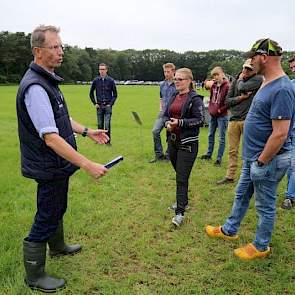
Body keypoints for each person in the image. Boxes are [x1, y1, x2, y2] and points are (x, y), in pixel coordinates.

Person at [16, 25, 109, 292]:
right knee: (47, 214)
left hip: (55, 164)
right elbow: (51, 137)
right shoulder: (35, 87)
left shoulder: (47, 80)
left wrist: (88, 131)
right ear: (38, 51)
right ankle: (34, 276)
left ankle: (57, 247)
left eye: (61, 46)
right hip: (48, 164)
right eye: (54, 47)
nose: (61, 51)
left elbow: (60, 119)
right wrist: (87, 163)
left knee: (57, 207)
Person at [205, 38, 295, 260]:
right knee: (241, 195)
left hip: (268, 160)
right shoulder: (266, 81)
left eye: (252, 57)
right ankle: (229, 230)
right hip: (253, 158)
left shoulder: (283, 88)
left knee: (265, 205)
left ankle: (260, 245)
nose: (249, 61)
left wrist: (262, 161)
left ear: (264, 57)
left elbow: (280, 133)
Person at [163, 68, 204, 227]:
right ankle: (184, 201)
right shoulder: (174, 95)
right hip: (172, 142)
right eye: (176, 79)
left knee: (181, 178)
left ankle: (180, 212)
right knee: (180, 174)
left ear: (189, 81)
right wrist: (167, 123)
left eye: (180, 79)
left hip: (188, 143)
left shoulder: (195, 99)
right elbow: (167, 114)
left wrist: (180, 123)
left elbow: (200, 120)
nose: (177, 82)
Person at [217, 59, 263, 185]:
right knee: (232, 150)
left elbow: (242, 86)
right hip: (234, 120)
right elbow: (227, 101)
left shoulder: (258, 79)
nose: (246, 71)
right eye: (245, 68)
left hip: (248, 120)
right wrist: (241, 97)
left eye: (249, 69)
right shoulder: (237, 80)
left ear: (255, 70)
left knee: (248, 151)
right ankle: (230, 176)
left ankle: (247, 177)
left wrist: (240, 81)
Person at [200, 66, 229, 165]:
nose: (216, 77)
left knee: (221, 137)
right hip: (213, 114)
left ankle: (219, 158)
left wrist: (220, 110)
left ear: (222, 74)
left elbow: (228, 102)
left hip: (222, 115)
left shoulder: (227, 86)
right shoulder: (213, 86)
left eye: (217, 74)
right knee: (210, 135)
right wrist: (211, 108)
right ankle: (209, 154)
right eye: (214, 75)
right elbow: (212, 98)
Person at [149, 63, 176, 163]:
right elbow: (161, 98)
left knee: (170, 134)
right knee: (155, 131)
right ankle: (159, 155)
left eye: (168, 72)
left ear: (173, 72)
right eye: (165, 71)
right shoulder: (162, 85)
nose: (166, 74)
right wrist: (161, 109)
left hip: (173, 115)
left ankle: (169, 156)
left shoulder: (177, 85)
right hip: (163, 113)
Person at [89, 63, 117, 145]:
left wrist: (110, 104)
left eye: (103, 69)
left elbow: (115, 94)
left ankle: (108, 142)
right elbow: (91, 93)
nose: (101, 71)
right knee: (100, 125)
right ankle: (100, 141)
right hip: (99, 106)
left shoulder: (111, 81)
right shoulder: (96, 81)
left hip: (108, 106)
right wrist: (95, 103)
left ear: (106, 70)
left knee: (107, 125)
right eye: (100, 69)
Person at [281, 56, 295, 209]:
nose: (293, 70)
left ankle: (290, 196)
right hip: (289, 131)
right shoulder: (291, 85)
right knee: (290, 164)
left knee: (292, 165)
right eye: (291, 68)